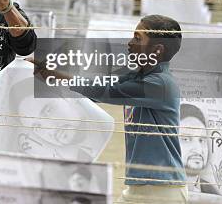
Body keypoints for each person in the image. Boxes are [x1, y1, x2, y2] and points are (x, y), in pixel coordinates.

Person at [36, 15, 188, 203]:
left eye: (138, 38)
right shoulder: (136, 76)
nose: (130, 43)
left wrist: (56, 75)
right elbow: (98, 89)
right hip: (142, 186)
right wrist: (52, 74)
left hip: (162, 190)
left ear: (157, 50)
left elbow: (106, 90)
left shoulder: (160, 84)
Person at [179, 104, 220, 195]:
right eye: (186, 139)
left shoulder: (213, 193)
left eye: (202, 140)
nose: (198, 149)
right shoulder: (157, 190)